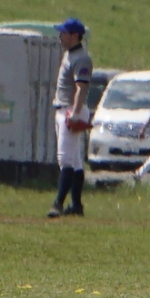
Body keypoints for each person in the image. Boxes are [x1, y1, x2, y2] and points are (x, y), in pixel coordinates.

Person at [47, 18, 93, 219]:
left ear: (75, 36)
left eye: (64, 33)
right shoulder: (70, 54)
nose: (60, 36)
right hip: (65, 108)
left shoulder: (81, 58)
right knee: (74, 160)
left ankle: (58, 203)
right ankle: (76, 205)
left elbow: (81, 89)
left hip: (70, 109)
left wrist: (74, 114)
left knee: (64, 158)